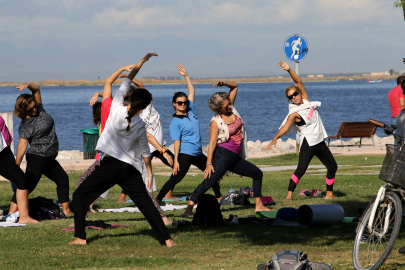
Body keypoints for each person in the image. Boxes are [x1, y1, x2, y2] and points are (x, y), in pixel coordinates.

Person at [69, 53, 176, 247]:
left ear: (131, 99)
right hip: (129, 169)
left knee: (79, 196)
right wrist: (149, 173)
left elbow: (126, 80)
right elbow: (145, 151)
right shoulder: (140, 123)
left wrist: (140, 63)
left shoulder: (116, 105)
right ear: (142, 108)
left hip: (110, 164)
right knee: (145, 204)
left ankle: (80, 238)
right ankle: (167, 240)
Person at [183, 82, 272, 216]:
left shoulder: (232, 109)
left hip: (235, 157)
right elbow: (212, 143)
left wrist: (224, 83)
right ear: (219, 109)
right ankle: (189, 209)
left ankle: (259, 206)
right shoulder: (216, 121)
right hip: (223, 156)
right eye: (226, 106)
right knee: (209, 182)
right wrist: (208, 164)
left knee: (257, 174)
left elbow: (235, 87)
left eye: (229, 103)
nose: (229, 106)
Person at [265, 60, 337, 201]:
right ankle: (289, 196)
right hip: (308, 144)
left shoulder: (306, 101)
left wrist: (289, 70)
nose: (295, 97)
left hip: (320, 141)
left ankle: (329, 193)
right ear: (290, 99)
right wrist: (275, 138)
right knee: (301, 170)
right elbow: (285, 126)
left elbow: (298, 80)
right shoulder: (294, 113)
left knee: (332, 166)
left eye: (295, 93)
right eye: (291, 96)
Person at [155, 64, 222, 203]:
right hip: (186, 154)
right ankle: (158, 199)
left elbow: (192, 91)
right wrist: (176, 161)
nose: (183, 104)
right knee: (176, 177)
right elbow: (177, 142)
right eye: (179, 103)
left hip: (197, 153)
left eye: (184, 102)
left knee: (212, 173)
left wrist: (186, 76)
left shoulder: (190, 111)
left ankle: (219, 197)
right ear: (174, 104)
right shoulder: (175, 122)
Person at [10, 83, 72, 216]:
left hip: (49, 158)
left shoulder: (40, 110)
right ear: (23, 111)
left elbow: (36, 89)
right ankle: (11, 212)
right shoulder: (26, 125)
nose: (34, 110)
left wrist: (28, 85)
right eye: (31, 109)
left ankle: (67, 211)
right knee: (26, 185)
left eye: (35, 106)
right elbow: (22, 146)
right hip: (38, 158)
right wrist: (16, 164)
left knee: (63, 179)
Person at [116, 74, 175, 203]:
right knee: (137, 172)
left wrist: (129, 76)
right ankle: (122, 198)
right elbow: (146, 135)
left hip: (159, 145)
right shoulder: (134, 115)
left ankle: (168, 193)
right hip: (145, 148)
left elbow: (141, 86)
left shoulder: (148, 105)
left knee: (176, 166)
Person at [0, 116, 38, 223]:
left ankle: (22, 216)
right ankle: (24, 217)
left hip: (5, 150)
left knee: (21, 181)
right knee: (22, 181)